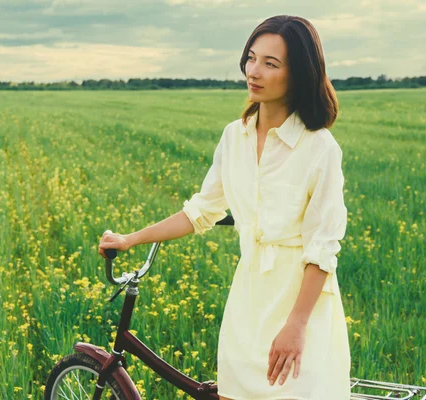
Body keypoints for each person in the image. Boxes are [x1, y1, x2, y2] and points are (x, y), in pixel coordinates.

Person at [98, 14, 351, 400]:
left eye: (271, 63)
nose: (255, 71)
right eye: (251, 58)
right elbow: (200, 211)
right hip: (248, 301)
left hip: (302, 307)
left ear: (298, 73)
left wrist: (296, 326)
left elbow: (322, 247)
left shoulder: (319, 148)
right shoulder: (235, 137)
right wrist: (130, 239)